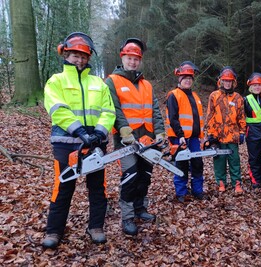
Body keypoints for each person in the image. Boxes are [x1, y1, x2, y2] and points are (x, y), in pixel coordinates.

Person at [42, 32, 116, 249]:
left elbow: (108, 110)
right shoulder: (56, 81)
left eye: (83, 56)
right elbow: (57, 110)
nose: (79, 59)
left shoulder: (98, 83)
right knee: (63, 187)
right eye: (75, 55)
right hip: (66, 141)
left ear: (89, 58)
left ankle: (96, 226)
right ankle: (54, 231)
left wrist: (100, 133)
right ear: (66, 54)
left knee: (97, 187)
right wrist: (79, 132)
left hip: (95, 143)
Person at [104, 38, 166, 236]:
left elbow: (155, 109)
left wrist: (160, 131)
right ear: (123, 57)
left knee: (144, 176)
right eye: (129, 58)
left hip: (148, 137)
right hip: (126, 139)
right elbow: (114, 108)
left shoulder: (146, 84)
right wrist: (123, 129)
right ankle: (128, 217)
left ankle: (141, 208)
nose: (132, 62)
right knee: (130, 177)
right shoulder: (112, 81)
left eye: (136, 59)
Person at [165, 61, 205, 202]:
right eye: (185, 78)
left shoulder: (195, 97)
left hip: (194, 138)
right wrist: (180, 135)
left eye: (190, 78)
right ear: (180, 79)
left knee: (197, 164)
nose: (188, 80)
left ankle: (197, 190)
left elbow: (198, 119)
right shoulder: (174, 95)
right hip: (179, 138)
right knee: (181, 164)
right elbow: (173, 118)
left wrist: (201, 136)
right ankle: (181, 192)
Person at [205, 66, 246, 194]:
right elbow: (210, 116)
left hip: (233, 136)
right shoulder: (214, 96)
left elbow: (241, 116)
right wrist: (211, 134)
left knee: (234, 161)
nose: (227, 83)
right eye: (225, 81)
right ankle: (221, 182)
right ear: (221, 81)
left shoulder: (238, 98)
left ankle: (237, 183)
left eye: (230, 81)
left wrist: (242, 132)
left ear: (233, 82)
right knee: (219, 161)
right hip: (218, 136)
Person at [243, 72, 261, 189]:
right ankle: (255, 180)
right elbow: (240, 117)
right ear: (250, 86)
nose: (257, 87)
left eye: (259, 85)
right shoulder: (245, 99)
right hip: (252, 131)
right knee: (254, 157)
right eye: (255, 85)